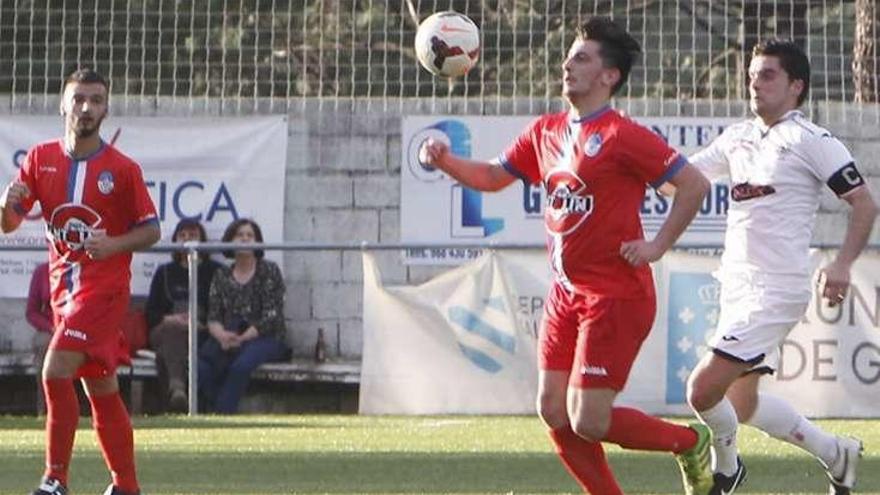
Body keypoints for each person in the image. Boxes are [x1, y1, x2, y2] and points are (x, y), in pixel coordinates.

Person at [419, 17, 715, 495]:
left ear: (609, 76)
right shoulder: (547, 131)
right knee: (552, 409)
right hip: (565, 295)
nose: (566, 64)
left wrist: (657, 245)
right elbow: (495, 177)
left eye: (581, 57)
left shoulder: (622, 136)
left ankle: (689, 441)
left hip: (615, 295)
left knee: (589, 419)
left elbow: (693, 185)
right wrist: (445, 160)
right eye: (569, 56)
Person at [685, 39, 878, 494]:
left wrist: (843, 264)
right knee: (742, 402)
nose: (755, 83)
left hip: (776, 291)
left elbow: (864, 203)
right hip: (736, 287)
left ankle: (727, 468)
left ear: (796, 86)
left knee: (701, 390)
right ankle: (836, 453)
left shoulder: (808, 139)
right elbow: (683, 181)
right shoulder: (738, 137)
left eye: (767, 74)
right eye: (752, 75)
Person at [0, 68, 160, 495]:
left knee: (54, 371)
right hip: (64, 292)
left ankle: (56, 479)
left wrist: (114, 245)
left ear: (106, 109)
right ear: (62, 104)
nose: (87, 108)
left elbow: (152, 230)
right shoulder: (39, 158)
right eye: (79, 99)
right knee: (100, 386)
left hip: (104, 291)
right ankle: (126, 486)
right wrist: (6, 205)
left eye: (96, 100)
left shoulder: (122, 170)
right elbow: (10, 224)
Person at [198, 218, 288, 414]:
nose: (245, 239)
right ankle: (215, 410)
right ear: (230, 240)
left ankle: (222, 415)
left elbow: (272, 316)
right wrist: (222, 336)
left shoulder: (269, 270)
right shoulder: (221, 275)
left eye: (250, 235)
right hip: (228, 337)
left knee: (240, 366)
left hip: (265, 338)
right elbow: (213, 316)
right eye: (240, 235)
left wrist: (243, 337)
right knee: (202, 367)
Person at [144, 218, 222, 413]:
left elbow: (221, 309)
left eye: (193, 235)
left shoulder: (216, 272)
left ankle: (176, 391)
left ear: (202, 240)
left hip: (201, 330)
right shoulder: (164, 272)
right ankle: (178, 390)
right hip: (166, 327)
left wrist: (201, 323)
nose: (187, 240)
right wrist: (171, 319)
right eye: (182, 235)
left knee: (168, 349)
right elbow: (151, 312)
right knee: (172, 330)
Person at [26, 261, 53, 415]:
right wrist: (50, 328)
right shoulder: (42, 272)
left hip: (77, 326)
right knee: (44, 343)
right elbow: (31, 312)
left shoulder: (81, 268)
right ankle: (44, 410)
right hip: (50, 328)